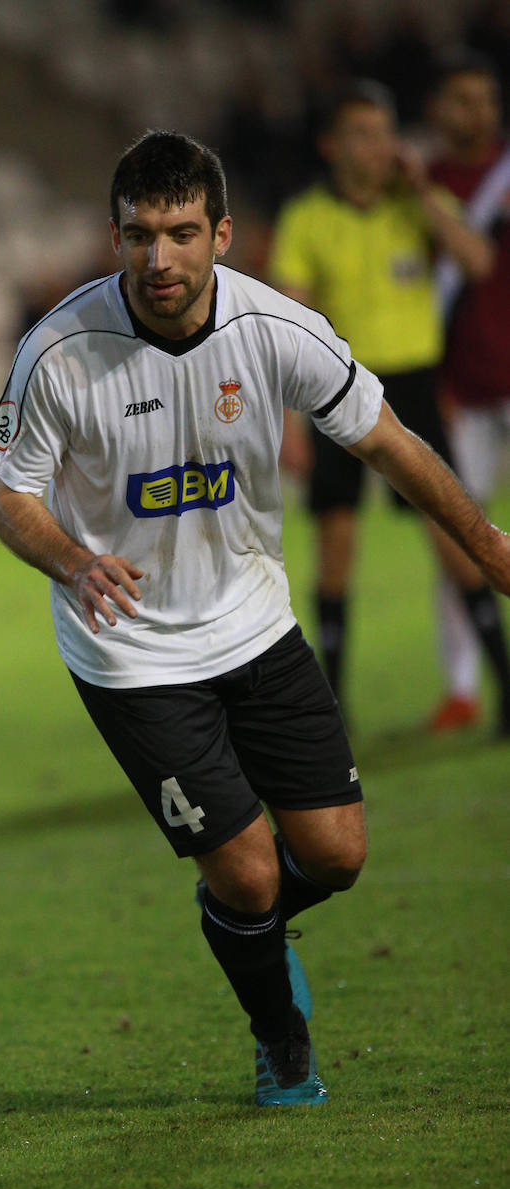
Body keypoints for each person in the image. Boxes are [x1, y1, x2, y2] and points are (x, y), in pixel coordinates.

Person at [0, 130, 510, 1107]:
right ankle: (280, 1038)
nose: (160, 258)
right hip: (130, 652)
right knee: (255, 875)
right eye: (139, 235)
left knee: (335, 856)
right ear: (114, 238)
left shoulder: (278, 330)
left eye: (182, 233)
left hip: (255, 624)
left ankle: (239, 913)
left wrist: (487, 545)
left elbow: (392, 444)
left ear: (221, 234)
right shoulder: (58, 350)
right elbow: (7, 492)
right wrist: (70, 560)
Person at [268, 80, 510, 733]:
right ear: (330, 145)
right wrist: (287, 425)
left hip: (413, 386)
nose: (378, 146)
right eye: (362, 133)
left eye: (384, 132)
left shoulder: (416, 203)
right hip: (334, 386)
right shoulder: (306, 218)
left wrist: (424, 194)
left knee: (453, 534)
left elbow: (479, 261)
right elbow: (288, 321)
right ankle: (334, 707)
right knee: (336, 541)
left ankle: (504, 683)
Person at [426, 50, 510, 730]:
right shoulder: (421, 184)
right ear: (437, 110)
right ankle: (461, 687)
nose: (474, 112)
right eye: (461, 99)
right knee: (458, 535)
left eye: (482, 98)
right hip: (461, 387)